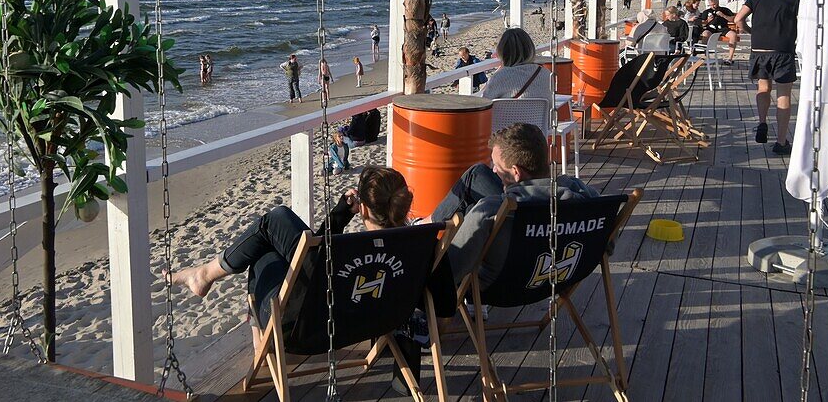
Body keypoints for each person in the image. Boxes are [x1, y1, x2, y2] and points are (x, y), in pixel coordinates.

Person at [169, 166, 413, 304]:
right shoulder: (419, 246)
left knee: (270, 236)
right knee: (278, 233)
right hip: (368, 320)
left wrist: (340, 214)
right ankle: (203, 274)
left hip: (308, 329)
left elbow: (317, 262)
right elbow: (443, 310)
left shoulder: (347, 250)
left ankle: (205, 275)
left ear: (363, 208)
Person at [430, 123, 598, 287]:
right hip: (558, 279)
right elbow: (606, 248)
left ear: (516, 172)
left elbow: (449, 273)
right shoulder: (587, 200)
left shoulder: (490, 209)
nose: (494, 171)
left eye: (496, 165)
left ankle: (420, 226)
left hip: (501, 287)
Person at [733, 0, 800, 154]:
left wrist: (751, 32)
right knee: (784, 95)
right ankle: (781, 141)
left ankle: (762, 122)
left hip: (759, 49)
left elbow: (738, 19)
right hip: (783, 51)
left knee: (763, 88)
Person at [480, 28, 551, 102]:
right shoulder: (546, 74)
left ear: (503, 51)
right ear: (531, 49)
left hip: (508, 113)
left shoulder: (501, 77)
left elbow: (484, 102)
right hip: (540, 113)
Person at [701, 0, 738, 64]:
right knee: (705, 34)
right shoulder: (706, 12)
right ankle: (706, 56)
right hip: (711, 28)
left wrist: (723, 15)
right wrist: (708, 20)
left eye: (714, 4)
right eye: (711, 5)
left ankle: (730, 58)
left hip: (723, 28)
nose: (713, 6)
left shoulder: (724, 10)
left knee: (733, 35)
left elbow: (733, 20)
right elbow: (703, 24)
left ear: (717, 2)